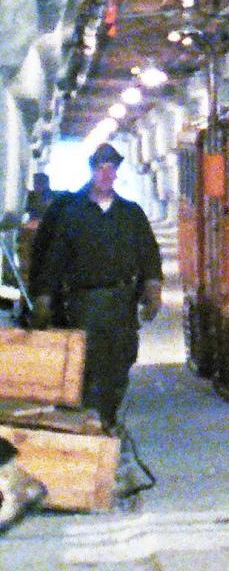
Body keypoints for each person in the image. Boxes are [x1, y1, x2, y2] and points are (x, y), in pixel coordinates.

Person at [31, 143, 163, 432]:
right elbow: (54, 258)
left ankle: (108, 417)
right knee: (87, 365)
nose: (106, 173)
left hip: (121, 301)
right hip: (84, 302)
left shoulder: (131, 214)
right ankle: (91, 425)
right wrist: (43, 298)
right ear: (92, 170)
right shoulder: (72, 214)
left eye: (111, 168)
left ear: (117, 172)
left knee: (120, 360)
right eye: (101, 167)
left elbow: (149, 254)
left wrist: (152, 289)